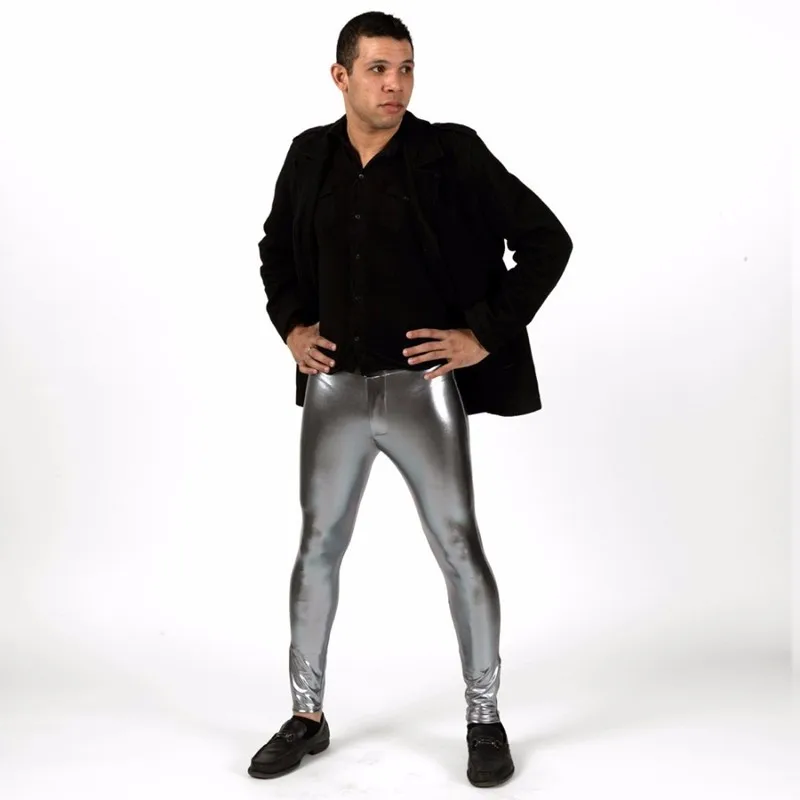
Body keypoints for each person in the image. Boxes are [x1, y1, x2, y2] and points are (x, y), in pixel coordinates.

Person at [248, 11, 572, 788]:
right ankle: (306, 716)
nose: (395, 84)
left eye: (406, 68)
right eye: (379, 69)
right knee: (318, 545)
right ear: (341, 77)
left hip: (422, 390)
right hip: (334, 392)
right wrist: (291, 327)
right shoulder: (309, 154)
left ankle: (484, 719)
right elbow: (274, 249)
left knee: (458, 545)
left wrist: (483, 334)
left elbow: (546, 241)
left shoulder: (450, 152)